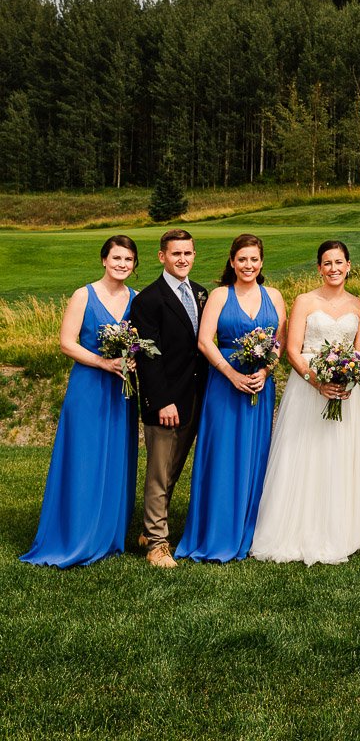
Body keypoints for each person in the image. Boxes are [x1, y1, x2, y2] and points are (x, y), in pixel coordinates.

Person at [250, 240, 360, 565]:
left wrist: (347, 378)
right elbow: (292, 349)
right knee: (303, 453)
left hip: (345, 390)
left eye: (339, 262)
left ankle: (339, 529)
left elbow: (359, 353)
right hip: (307, 387)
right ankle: (293, 527)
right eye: (327, 263)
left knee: (337, 454)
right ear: (319, 268)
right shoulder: (304, 300)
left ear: (349, 266)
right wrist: (317, 381)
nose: (333, 268)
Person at [21, 235, 140, 567]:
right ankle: (75, 534)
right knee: (83, 458)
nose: (122, 264)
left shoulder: (138, 299)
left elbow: (141, 344)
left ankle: (109, 535)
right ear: (104, 260)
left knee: (117, 458)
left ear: (134, 265)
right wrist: (103, 363)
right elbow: (66, 343)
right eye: (116, 258)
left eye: (128, 260)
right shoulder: (83, 295)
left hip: (121, 392)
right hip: (88, 387)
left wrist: (133, 359)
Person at [175, 234, 287, 562]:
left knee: (255, 456)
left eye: (254, 259)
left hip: (259, 388)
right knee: (222, 455)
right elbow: (204, 341)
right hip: (224, 386)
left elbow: (278, 341)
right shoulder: (221, 295)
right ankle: (215, 532)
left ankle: (248, 531)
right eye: (242, 259)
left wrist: (265, 372)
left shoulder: (276, 296)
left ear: (262, 262)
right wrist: (231, 374)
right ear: (232, 261)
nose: (248, 265)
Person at [130, 228, 208, 569]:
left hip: (195, 397)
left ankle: (150, 529)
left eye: (188, 253)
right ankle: (157, 545)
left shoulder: (202, 293)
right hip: (165, 401)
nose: (183, 259)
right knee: (159, 472)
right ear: (162, 256)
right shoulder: (148, 300)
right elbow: (148, 356)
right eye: (176, 253)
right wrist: (161, 401)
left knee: (173, 470)